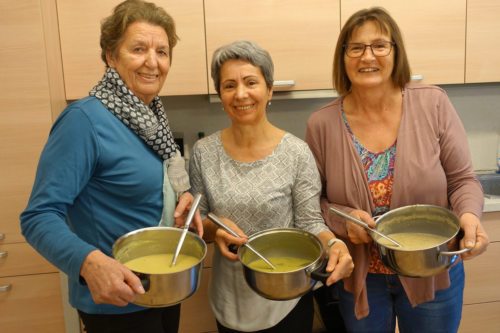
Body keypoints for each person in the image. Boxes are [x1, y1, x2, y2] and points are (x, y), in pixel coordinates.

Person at [20, 1, 202, 332]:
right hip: (116, 305)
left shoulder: (151, 117)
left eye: (162, 52)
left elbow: (150, 183)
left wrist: (181, 199)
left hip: (159, 289)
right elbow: (38, 217)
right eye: (138, 49)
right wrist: (89, 263)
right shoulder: (85, 121)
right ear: (110, 56)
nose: (152, 62)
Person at [305, 7, 489, 333]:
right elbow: (314, 204)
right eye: (356, 47)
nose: (368, 56)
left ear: (396, 52)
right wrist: (344, 220)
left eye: (379, 45)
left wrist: (470, 217)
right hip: (363, 275)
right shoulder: (321, 124)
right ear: (343, 57)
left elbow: (463, 180)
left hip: (433, 266)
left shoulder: (433, 104)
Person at [188, 40, 354, 333]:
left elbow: (309, 221)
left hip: (286, 294)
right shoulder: (203, 152)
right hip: (231, 298)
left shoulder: (297, 152)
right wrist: (215, 229)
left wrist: (334, 244)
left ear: (269, 90)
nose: (241, 94)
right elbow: (197, 222)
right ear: (221, 94)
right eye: (229, 85)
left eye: (251, 82)